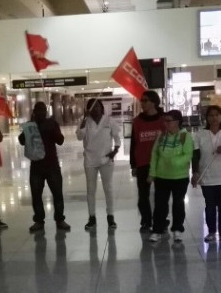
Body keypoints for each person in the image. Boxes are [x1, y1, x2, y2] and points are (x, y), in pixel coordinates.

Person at [18, 102, 70, 232]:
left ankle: (60, 219)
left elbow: (60, 140)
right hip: (36, 166)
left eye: (43, 110)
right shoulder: (30, 126)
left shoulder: (52, 124)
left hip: (52, 165)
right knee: (36, 195)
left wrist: (52, 130)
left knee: (57, 194)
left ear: (46, 112)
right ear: (34, 112)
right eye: (38, 110)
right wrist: (29, 127)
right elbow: (21, 140)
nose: (41, 113)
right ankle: (39, 221)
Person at [191, 106, 221, 244]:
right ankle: (211, 232)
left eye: (217, 115)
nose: (214, 118)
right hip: (207, 176)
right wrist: (195, 172)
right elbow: (195, 155)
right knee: (210, 206)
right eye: (211, 115)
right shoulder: (200, 134)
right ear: (206, 118)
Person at [148, 110, 193, 243]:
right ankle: (157, 230)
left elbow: (188, 154)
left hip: (180, 177)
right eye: (165, 121)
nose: (165, 123)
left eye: (169, 121)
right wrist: (152, 173)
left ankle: (177, 229)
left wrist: (174, 162)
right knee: (160, 204)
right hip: (162, 177)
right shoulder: (161, 136)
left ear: (177, 122)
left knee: (178, 204)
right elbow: (154, 155)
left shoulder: (185, 136)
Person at [76, 98, 121, 230]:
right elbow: (79, 136)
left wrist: (115, 151)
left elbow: (117, 138)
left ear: (102, 108)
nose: (95, 109)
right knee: (90, 190)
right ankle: (92, 217)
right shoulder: (85, 122)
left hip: (106, 160)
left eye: (97, 106)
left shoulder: (109, 121)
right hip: (90, 160)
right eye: (91, 107)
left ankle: (110, 216)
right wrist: (84, 119)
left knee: (108, 188)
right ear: (88, 109)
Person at [130, 90, 164, 232]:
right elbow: (134, 143)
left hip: (161, 163)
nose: (142, 103)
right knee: (143, 196)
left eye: (145, 100)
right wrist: (133, 164)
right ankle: (146, 221)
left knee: (161, 195)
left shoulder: (164, 119)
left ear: (154, 102)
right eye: (141, 100)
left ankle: (160, 220)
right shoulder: (137, 121)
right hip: (143, 163)